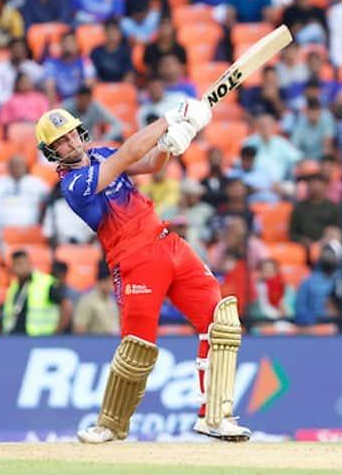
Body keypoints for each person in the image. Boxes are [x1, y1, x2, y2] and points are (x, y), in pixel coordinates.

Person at [33, 99, 252, 442]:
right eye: (60, 141)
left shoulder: (101, 153)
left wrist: (169, 144)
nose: (71, 142)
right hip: (134, 261)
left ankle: (214, 416)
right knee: (137, 347)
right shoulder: (73, 184)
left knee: (219, 322)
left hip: (168, 243)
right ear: (51, 152)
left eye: (72, 133)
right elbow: (129, 154)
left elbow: (149, 162)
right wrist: (171, 118)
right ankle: (109, 425)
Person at [2, 250, 72, 335]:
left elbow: (66, 307)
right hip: (14, 336)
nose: (18, 268)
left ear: (29, 264)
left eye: (21, 263)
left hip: (41, 337)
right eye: (15, 264)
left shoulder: (45, 283)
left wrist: (56, 333)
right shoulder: (14, 287)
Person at [43, 32, 97, 102]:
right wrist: (53, 104)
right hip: (60, 101)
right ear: (61, 44)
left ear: (77, 45)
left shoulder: (85, 62)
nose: (68, 44)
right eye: (66, 42)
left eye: (71, 42)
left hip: (79, 102)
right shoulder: (52, 63)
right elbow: (50, 85)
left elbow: (89, 82)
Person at [73, 261, 120, 334]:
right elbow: (79, 328)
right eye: (111, 280)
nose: (113, 284)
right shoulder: (87, 301)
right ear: (103, 281)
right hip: (96, 340)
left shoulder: (111, 300)